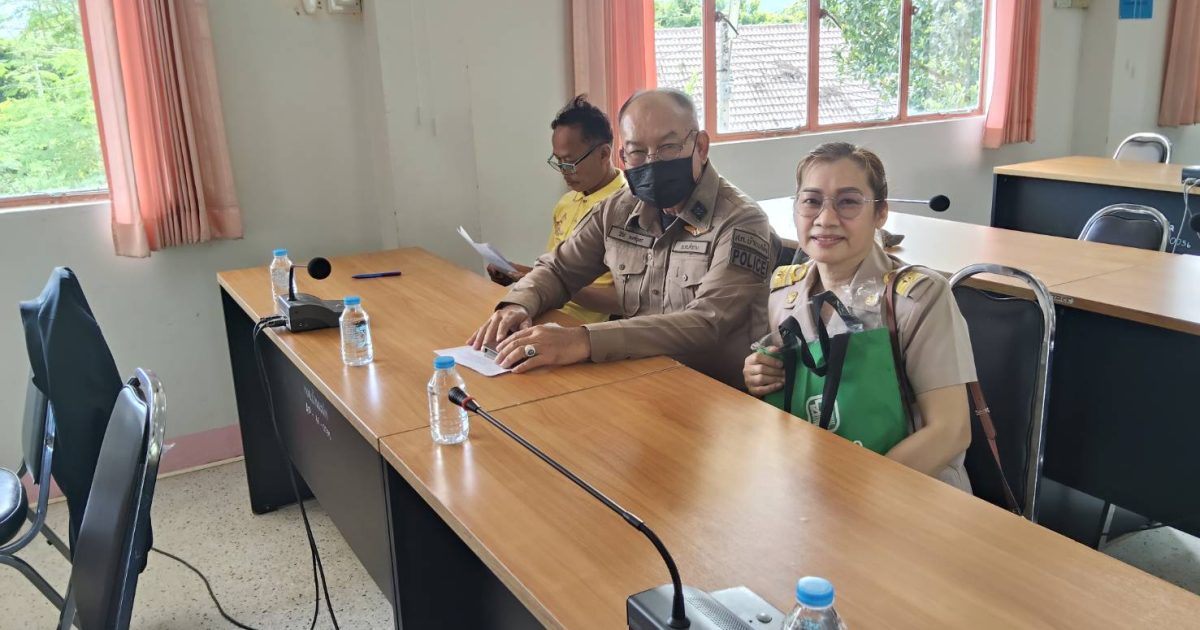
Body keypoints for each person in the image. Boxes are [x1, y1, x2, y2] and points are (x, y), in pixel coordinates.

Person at [468, 88, 776, 388]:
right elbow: (559, 269)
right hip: (640, 378)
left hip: (717, 393)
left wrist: (583, 340)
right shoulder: (619, 208)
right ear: (622, 156)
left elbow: (706, 323)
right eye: (637, 152)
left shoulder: (741, 221)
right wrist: (518, 304)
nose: (652, 162)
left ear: (701, 146)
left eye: (668, 147)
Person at [743, 142, 975, 491]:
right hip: (813, 483)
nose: (825, 219)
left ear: (880, 213)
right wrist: (761, 374)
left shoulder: (918, 298)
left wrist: (858, 492)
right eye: (811, 201)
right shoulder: (783, 294)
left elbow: (950, 431)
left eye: (848, 202)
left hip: (907, 492)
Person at [486, 95, 624, 324]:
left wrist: (562, 286)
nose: (563, 171)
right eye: (558, 161)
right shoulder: (567, 202)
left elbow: (628, 300)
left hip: (586, 325)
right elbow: (555, 269)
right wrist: (518, 272)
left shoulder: (627, 208)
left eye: (570, 162)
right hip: (547, 307)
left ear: (603, 154)